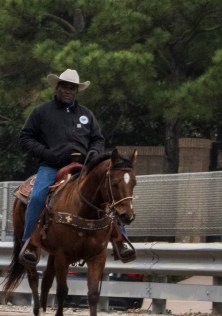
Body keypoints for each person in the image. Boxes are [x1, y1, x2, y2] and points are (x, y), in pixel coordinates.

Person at [18, 69, 135, 264]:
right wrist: (47, 153)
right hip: (52, 167)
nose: (68, 91)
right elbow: (25, 138)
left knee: (109, 192)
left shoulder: (87, 114)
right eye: (64, 86)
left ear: (77, 91)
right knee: (37, 196)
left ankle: (121, 240)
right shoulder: (41, 112)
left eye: (72, 88)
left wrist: (94, 153)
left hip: (84, 167)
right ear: (57, 88)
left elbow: (97, 139)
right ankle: (30, 242)